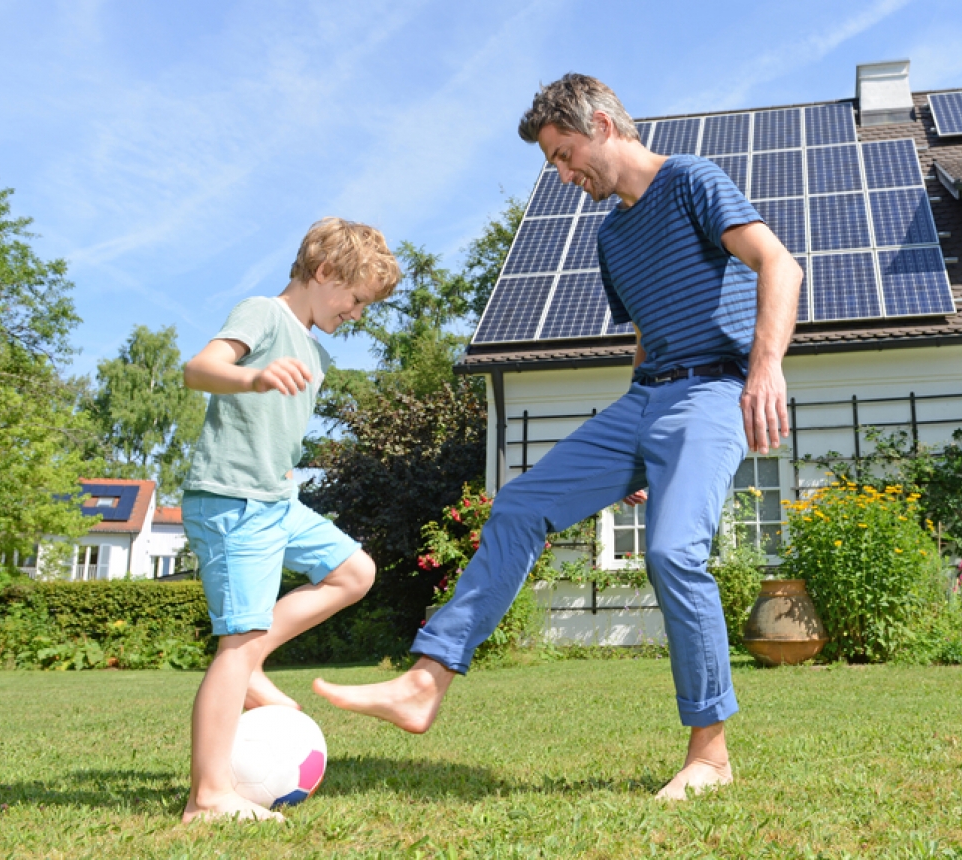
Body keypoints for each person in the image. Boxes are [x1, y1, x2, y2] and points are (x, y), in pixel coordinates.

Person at [314, 73, 800, 801]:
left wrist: (765, 370)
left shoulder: (694, 180)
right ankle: (426, 680)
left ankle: (710, 755)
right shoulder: (612, 236)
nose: (563, 174)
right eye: (554, 163)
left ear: (603, 125)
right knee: (518, 506)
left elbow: (778, 265)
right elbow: (646, 338)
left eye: (565, 154)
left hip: (713, 390)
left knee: (672, 553)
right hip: (647, 400)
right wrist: (631, 448)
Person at [179, 217, 401, 822]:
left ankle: (248, 664)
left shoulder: (313, 349)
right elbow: (198, 368)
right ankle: (209, 795)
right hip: (231, 500)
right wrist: (251, 376)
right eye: (355, 299)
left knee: (354, 572)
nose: (357, 313)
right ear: (324, 273)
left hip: (275, 501)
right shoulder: (264, 314)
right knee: (238, 641)